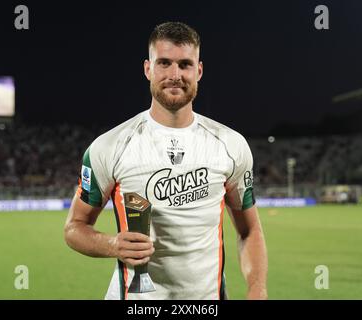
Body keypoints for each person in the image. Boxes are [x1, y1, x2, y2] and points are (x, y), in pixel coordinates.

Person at [64, 22, 268, 300]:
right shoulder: (109, 147)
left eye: (185, 64)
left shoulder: (231, 145)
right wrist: (113, 244)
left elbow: (249, 230)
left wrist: (257, 290)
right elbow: (75, 227)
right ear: (148, 69)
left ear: (199, 70)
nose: (175, 74)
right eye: (164, 63)